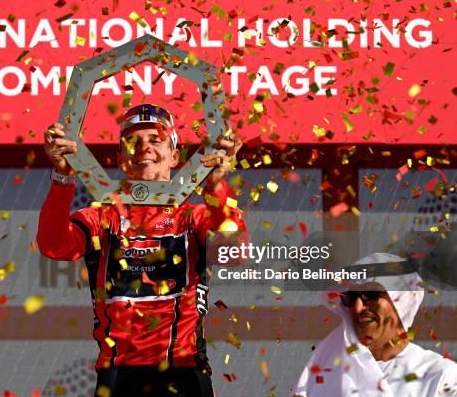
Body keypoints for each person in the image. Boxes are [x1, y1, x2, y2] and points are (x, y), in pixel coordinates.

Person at [37, 103, 248, 396]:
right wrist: (63, 177)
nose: (144, 148)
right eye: (133, 142)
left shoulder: (194, 216)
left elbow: (235, 254)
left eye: (156, 140)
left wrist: (216, 187)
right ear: (121, 157)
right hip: (118, 376)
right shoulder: (100, 217)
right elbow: (53, 246)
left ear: (175, 156)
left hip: (185, 371)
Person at [292, 252, 457, 396]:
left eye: (370, 294)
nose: (357, 308)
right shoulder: (329, 373)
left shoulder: (440, 376)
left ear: (401, 300)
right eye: (350, 297)